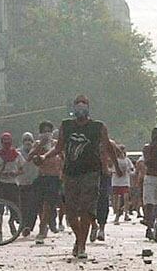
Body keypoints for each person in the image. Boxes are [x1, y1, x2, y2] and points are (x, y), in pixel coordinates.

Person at [38, 95, 121, 258]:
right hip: (70, 173)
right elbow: (58, 147)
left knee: (86, 210)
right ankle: (79, 238)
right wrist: (44, 157)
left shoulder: (98, 127)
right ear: (73, 107)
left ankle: (82, 246)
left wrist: (116, 166)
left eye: (83, 104)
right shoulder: (66, 125)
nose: (80, 107)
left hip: (91, 173)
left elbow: (108, 147)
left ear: (88, 107)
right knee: (70, 214)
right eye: (77, 104)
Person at [31, 122, 61, 243]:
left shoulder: (56, 144)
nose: (47, 133)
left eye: (49, 131)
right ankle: (46, 223)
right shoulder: (38, 144)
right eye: (44, 131)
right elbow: (30, 157)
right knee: (40, 204)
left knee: (48, 204)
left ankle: (42, 228)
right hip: (42, 177)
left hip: (54, 177)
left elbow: (62, 156)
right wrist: (41, 146)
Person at [110, 145, 133, 228]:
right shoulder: (114, 160)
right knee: (116, 198)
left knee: (126, 197)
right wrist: (115, 171)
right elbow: (110, 168)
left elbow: (132, 169)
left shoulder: (127, 160)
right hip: (116, 181)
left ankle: (126, 213)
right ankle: (116, 213)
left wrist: (128, 171)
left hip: (125, 181)